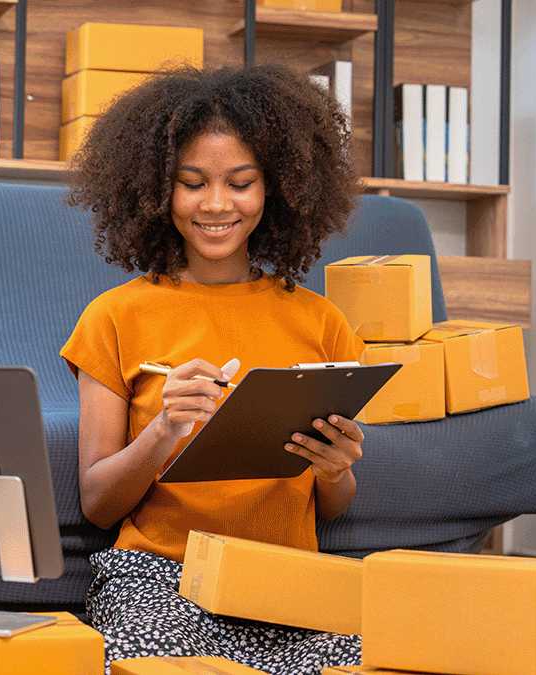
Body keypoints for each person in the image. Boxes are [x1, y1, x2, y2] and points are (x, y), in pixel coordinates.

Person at [60, 64, 367, 673]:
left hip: (285, 583)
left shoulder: (321, 321)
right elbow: (97, 503)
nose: (217, 205)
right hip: (162, 580)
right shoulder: (114, 317)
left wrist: (335, 470)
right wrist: (165, 430)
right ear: (154, 191)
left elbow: (332, 505)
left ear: (276, 189)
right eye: (192, 183)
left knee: (380, 655)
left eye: (241, 182)